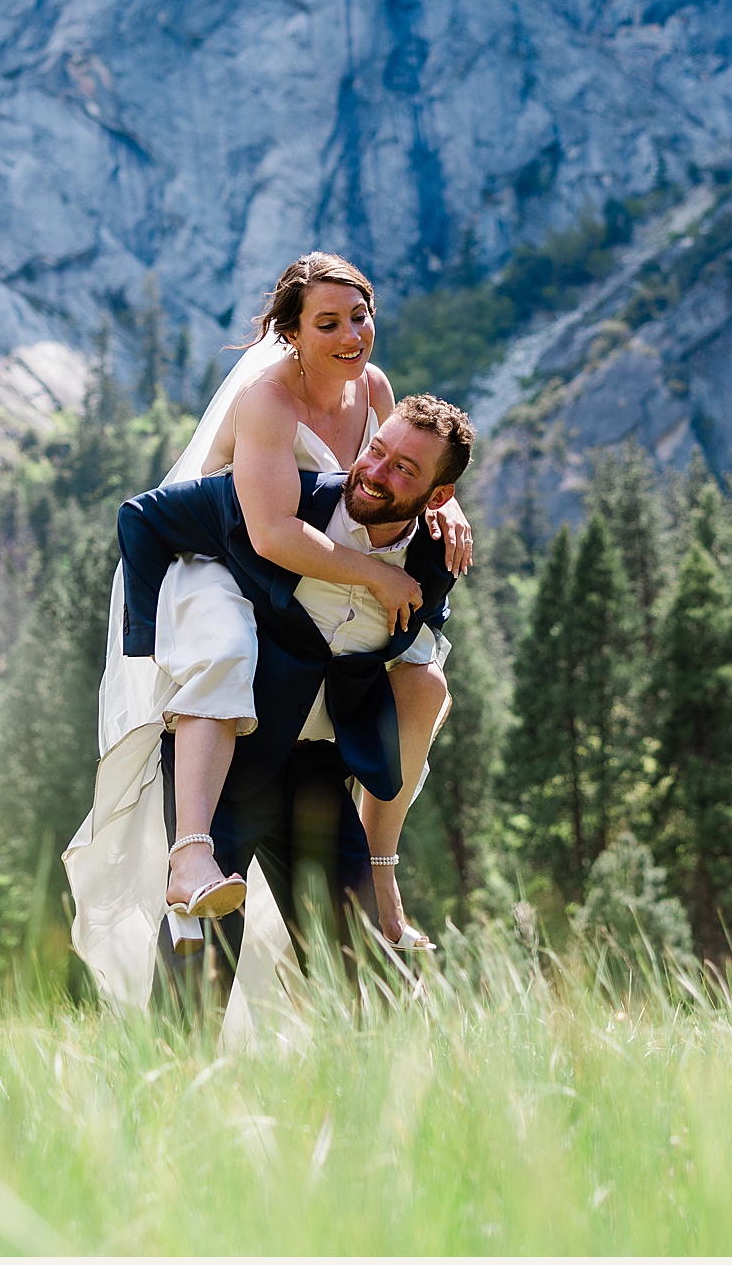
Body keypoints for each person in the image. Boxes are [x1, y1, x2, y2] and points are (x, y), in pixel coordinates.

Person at [63, 256, 468, 1015]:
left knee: (361, 969)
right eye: (328, 323)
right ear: (290, 334)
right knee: (225, 654)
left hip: (306, 712)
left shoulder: (374, 391)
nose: (352, 335)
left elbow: (398, 471)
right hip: (220, 566)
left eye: (361, 316)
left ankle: (380, 904)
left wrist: (446, 510)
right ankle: (192, 862)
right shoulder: (268, 400)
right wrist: (377, 578)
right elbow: (273, 533)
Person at [112, 398, 474, 1008]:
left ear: (438, 498)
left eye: (404, 469)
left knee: (369, 987)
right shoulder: (284, 504)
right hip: (228, 760)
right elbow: (142, 518)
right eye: (376, 449)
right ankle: (169, 1095)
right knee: (198, 972)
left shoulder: (435, 559)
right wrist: (158, 653)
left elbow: (412, 653)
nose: (376, 471)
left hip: (317, 775)